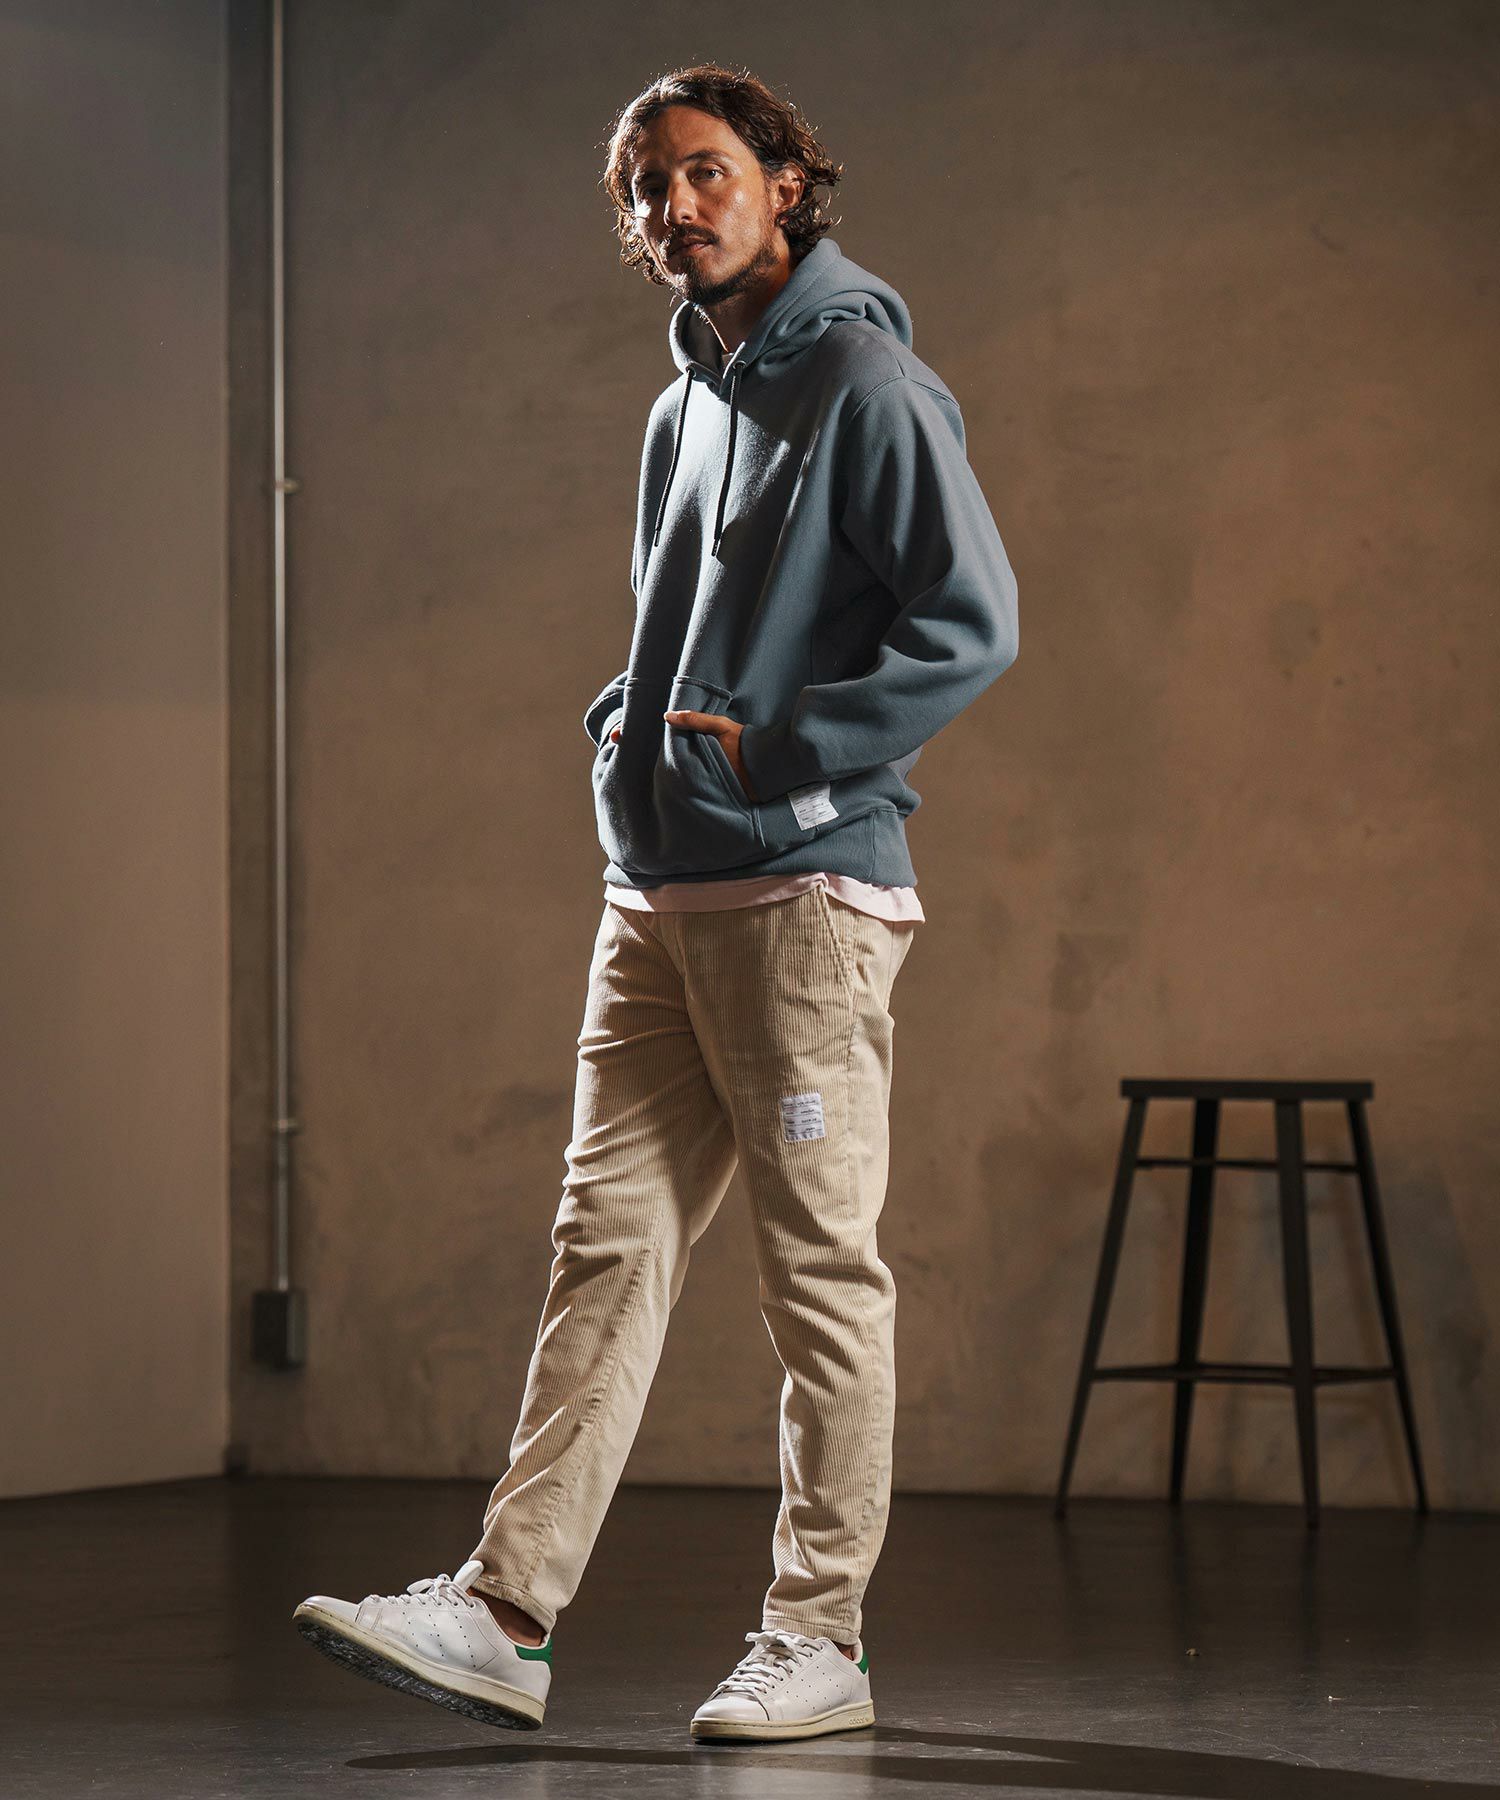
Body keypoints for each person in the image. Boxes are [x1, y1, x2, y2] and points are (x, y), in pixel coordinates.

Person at [293, 60, 1018, 1744]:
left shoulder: (869, 382)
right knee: (602, 1248)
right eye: (645, 188)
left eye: (703, 172)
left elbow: (971, 622)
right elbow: (671, 633)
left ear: (783, 182)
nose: (672, 208)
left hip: (803, 899)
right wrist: (631, 736)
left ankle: (820, 1638)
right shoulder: (680, 409)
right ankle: (503, 1615)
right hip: (660, 893)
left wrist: (781, 759)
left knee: (818, 1276)